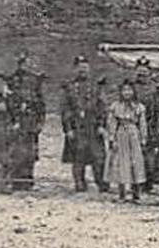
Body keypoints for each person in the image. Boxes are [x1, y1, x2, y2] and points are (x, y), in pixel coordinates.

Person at [60, 57, 108, 194]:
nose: (83, 71)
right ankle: (79, 183)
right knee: (78, 156)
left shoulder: (96, 86)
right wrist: (68, 128)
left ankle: (101, 183)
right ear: (75, 70)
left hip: (93, 126)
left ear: (89, 69)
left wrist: (102, 125)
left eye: (85, 68)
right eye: (80, 68)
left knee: (98, 157)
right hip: (77, 127)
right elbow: (65, 109)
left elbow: (102, 107)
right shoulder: (69, 87)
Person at [104, 82, 148, 203]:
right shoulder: (116, 106)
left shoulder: (139, 107)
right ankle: (122, 194)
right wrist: (112, 138)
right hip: (121, 134)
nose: (127, 93)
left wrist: (143, 138)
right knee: (121, 162)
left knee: (136, 163)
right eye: (124, 90)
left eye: (129, 90)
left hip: (134, 135)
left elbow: (143, 124)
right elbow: (111, 123)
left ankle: (136, 194)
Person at [6, 55, 45, 191]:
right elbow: (8, 101)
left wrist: (40, 122)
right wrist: (12, 120)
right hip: (17, 121)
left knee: (30, 152)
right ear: (19, 64)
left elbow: (40, 104)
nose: (26, 67)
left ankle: (28, 180)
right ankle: (15, 180)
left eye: (29, 64)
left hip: (31, 122)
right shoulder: (11, 80)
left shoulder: (35, 81)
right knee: (15, 151)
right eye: (24, 64)